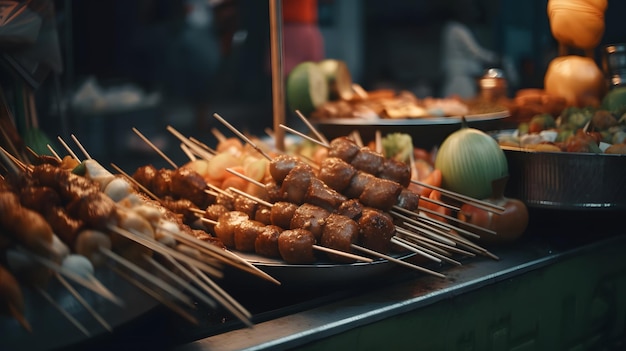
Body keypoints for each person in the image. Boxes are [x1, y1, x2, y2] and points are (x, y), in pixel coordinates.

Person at [439, 0, 499, 99]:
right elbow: (475, 52)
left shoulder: (452, 27)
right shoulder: (457, 29)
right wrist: (495, 58)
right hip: (460, 76)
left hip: (458, 74)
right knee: (463, 101)